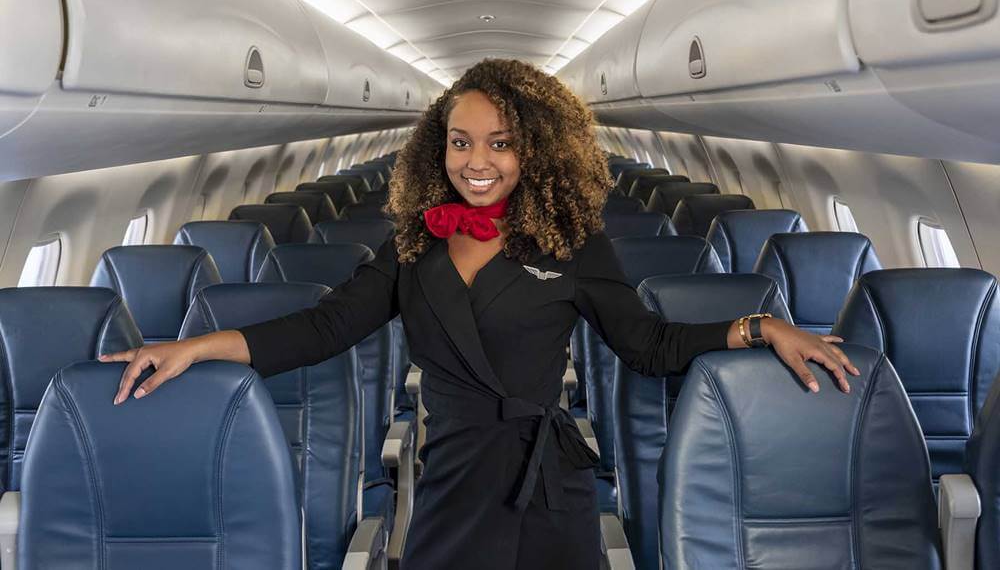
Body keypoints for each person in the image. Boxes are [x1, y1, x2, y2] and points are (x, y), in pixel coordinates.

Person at [100, 58, 858, 570]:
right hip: (452, 480)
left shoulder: (571, 242)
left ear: (536, 152)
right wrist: (194, 348)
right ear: (439, 149)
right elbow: (322, 327)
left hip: (547, 485)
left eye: (500, 144)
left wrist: (763, 327)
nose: (478, 162)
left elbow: (648, 343)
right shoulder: (411, 248)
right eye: (461, 142)